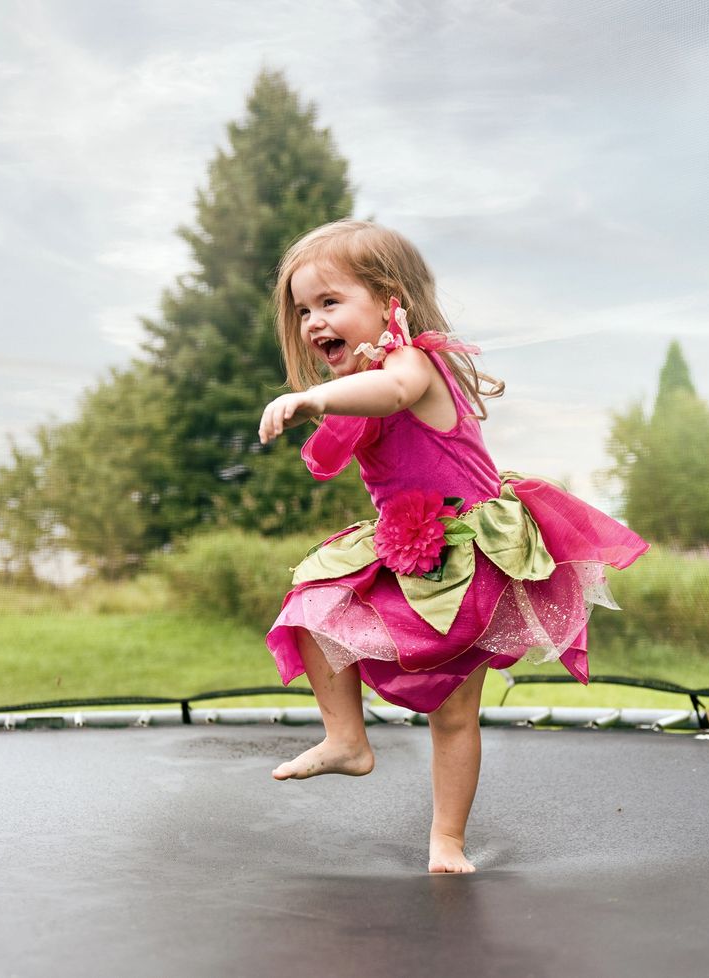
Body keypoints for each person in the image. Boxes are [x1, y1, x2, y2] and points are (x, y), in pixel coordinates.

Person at [258, 219, 649, 874]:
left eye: (329, 303)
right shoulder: (361, 388)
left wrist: (315, 397)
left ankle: (446, 840)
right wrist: (330, 396)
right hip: (406, 547)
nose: (311, 322)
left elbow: (394, 392)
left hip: (470, 557)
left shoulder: (410, 362)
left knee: (453, 713)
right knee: (312, 603)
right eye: (302, 310)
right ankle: (346, 738)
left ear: (389, 303)